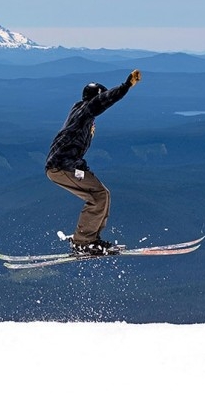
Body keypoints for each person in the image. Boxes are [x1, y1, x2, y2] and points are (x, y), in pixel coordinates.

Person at [45, 69, 142, 256]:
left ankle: (91, 240)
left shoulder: (80, 114)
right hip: (62, 166)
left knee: (101, 195)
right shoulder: (85, 111)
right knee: (99, 195)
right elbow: (100, 102)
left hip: (64, 166)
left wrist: (82, 167)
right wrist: (126, 86)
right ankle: (83, 242)